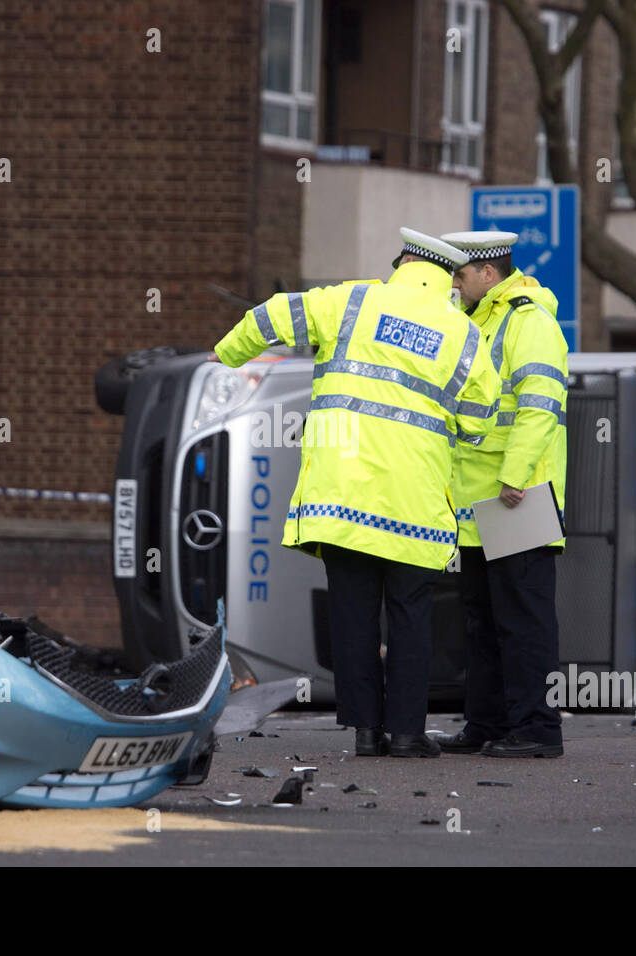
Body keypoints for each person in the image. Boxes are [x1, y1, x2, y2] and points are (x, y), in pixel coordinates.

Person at [214, 228, 499, 758]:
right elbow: (481, 419)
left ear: (404, 261)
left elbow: (271, 316)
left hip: (340, 499)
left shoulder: (352, 300)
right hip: (414, 506)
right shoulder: (462, 334)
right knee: (412, 617)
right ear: (446, 276)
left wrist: (226, 357)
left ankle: (366, 732)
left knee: (353, 615)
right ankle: (408, 733)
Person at [437, 230, 568, 758]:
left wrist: (514, 475)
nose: (455, 283)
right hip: (478, 502)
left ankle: (537, 730)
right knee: (482, 621)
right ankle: (487, 723)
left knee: (522, 622)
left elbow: (541, 405)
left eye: (461, 274)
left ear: (488, 273)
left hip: (518, 497)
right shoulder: (478, 322)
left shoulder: (528, 320)